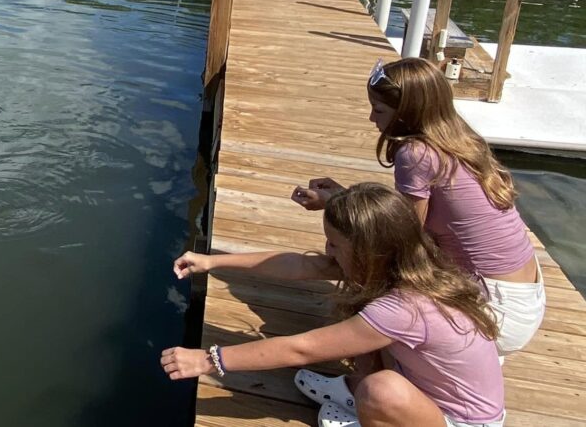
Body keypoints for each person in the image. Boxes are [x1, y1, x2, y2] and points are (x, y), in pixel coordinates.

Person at [162, 183, 505, 427]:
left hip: (461, 421)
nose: (328, 251)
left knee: (381, 390)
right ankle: (360, 395)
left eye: (335, 245)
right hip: (425, 385)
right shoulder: (408, 263)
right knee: (362, 331)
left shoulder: (406, 307)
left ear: (369, 250)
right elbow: (298, 265)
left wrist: (208, 360)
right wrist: (212, 262)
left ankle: (371, 410)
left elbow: (302, 349)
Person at [291, 57, 545, 356]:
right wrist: (341, 197)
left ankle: (374, 379)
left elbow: (402, 237)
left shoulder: (416, 153)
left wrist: (336, 208)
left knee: (376, 264)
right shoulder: (460, 138)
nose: (373, 119)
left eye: (379, 110)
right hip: (525, 299)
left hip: (492, 310)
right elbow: (405, 218)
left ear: (407, 114)